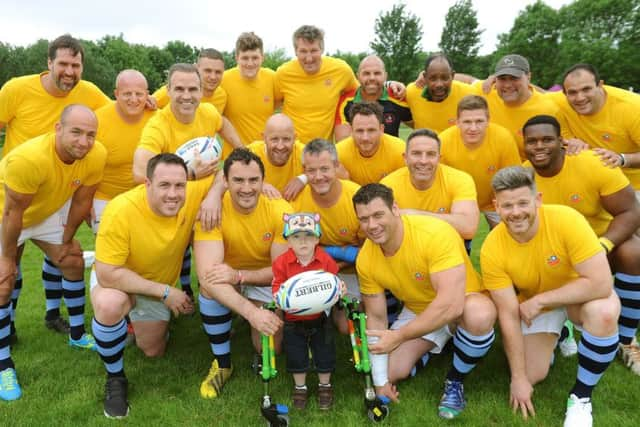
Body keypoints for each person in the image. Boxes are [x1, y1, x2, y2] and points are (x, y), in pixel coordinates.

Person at [481, 165, 621, 426]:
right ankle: (562, 334)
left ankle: (581, 397)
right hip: (538, 308)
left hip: (578, 297)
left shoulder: (566, 219)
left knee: (604, 313)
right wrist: (519, 378)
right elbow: (508, 314)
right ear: (496, 206)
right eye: (507, 206)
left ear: (538, 200)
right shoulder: (491, 248)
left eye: (523, 203)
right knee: (532, 373)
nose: (516, 212)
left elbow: (601, 284)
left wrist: (541, 300)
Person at [0, 34, 110, 341]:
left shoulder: (86, 92)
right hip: (13, 194)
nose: (69, 71)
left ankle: (61, 321)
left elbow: (117, 110)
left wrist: (150, 100)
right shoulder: (17, 89)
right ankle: (7, 330)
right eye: (63, 63)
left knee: (67, 254)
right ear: (48, 63)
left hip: (55, 194)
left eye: (76, 65)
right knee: (10, 267)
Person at [353, 183, 496, 420]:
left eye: (379, 215)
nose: (372, 225)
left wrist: (399, 336)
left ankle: (455, 380)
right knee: (390, 370)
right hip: (419, 309)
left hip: (462, 302)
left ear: (395, 209)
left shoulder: (433, 234)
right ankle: (449, 342)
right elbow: (376, 318)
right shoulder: (366, 258)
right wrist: (380, 383)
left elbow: (451, 304)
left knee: (479, 315)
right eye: (364, 219)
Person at [91, 153, 211, 418]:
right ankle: (115, 379)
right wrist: (166, 292)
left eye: (179, 186)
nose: (173, 194)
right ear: (147, 184)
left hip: (158, 283)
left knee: (153, 351)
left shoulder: (191, 193)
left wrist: (213, 196)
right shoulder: (121, 209)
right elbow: (108, 274)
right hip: (119, 280)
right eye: (164, 185)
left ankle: (133, 324)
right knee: (109, 305)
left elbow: (228, 175)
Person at [0, 104, 107, 401]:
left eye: (90, 134)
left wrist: (67, 239)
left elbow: (82, 200)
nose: (84, 142)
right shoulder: (28, 159)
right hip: (6, 217)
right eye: (76, 132)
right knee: (4, 281)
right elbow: (12, 214)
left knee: (72, 261)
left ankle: (76, 335)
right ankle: (3, 363)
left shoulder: (96, 154)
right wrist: (7, 259)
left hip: (44, 215)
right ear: (58, 129)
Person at [522, 114, 640, 375]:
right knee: (534, 370)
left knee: (633, 251)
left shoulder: (591, 163)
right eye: (532, 142)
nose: (539, 146)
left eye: (547, 140)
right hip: (554, 258)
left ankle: (626, 339)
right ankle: (560, 330)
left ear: (562, 142)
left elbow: (631, 211)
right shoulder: (524, 178)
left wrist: (605, 245)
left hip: (598, 246)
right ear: (524, 145)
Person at [134, 63, 242, 296]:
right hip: (174, 205)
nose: (186, 96)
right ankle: (179, 291)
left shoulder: (208, 112)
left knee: (214, 262)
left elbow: (223, 124)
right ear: (168, 91)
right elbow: (139, 171)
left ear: (201, 92)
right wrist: (190, 175)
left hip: (208, 201)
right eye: (179, 89)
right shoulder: (158, 125)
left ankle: (219, 290)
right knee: (173, 255)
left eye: (193, 89)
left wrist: (242, 149)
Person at [193, 149, 290, 399]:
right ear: (225, 181)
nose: (246, 188)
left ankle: (259, 319)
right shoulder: (211, 210)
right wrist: (252, 313)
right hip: (225, 279)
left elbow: (282, 271)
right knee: (208, 285)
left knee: (270, 348)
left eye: (253, 180)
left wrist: (239, 276)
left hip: (257, 277)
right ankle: (222, 363)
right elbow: (207, 276)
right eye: (238, 180)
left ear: (263, 181)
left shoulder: (279, 209)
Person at [292, 139, 364, 331]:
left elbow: (368, 252)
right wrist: (342, 252)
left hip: (352, 270)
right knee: (305, 322)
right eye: (311, 171)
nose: (318, 176)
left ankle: (337, 307)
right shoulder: (296, 202)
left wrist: (337, 259)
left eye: (324, 169)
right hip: (313, 270)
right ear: (304, 171)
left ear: (336, 167)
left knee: (346, 327)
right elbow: (297, 251)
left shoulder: (356, 197)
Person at [272, 212, 339, 410]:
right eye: (296, 237)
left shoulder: (325, 260)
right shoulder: (281, 263)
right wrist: (279, 298)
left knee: (324, 350)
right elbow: (277, 287)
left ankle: (324, 385)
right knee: (296, 353)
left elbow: (334, 281)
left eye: (308, 236)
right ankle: (300, 387)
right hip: (293, 319)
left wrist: (339, 289)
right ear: (288, 241)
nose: (303, 242)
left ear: (317, 239)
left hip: (321, 317)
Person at [549, 63, 640, 191]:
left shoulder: (632, 108)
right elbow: (533, 95)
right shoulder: (559, 101)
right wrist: (569, 140)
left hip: (634, 187)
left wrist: (622, 158)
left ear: (600, 85)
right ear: (564, 93)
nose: (580, 98)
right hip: (593, 185)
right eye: (572, 92)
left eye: (586, 89)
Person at [380, 128, 479, 243]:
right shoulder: (388, 185)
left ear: (439, 159)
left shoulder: (460, 179)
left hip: (446, 247)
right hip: (407, 248)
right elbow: (382, 229)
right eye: (416, 153)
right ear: (405, 158)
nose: (423, 161)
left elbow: (468, 228)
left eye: (430, 154)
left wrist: (414, 215)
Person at [439, 95, 521, 228]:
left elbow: (513, 178)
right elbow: (439, 182)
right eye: (467, 122)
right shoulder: (443, 141)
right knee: (455, 240)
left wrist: (507, 206)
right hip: (456, 200)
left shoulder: (503, 137)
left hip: (494, 198)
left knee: (510, 234)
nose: (473, 128)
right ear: (457, 122)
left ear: (488, 120)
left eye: (479, 121)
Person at [93, 70, 155, 231]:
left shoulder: (158, 118)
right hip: (105, 198)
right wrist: (86, 202)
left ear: (148, 95)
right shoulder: (98, 120)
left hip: (145, 197)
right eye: (127, 94)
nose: (134, 99)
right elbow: (82, 165)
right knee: (112, 247)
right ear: (116, 94)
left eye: (139, 94)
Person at [274, 25, 359, 144]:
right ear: (295, 51)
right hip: (292, 150)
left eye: (313, 50)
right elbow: (271, 104)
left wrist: (388, 84)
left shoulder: (341, 70)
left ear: (322, 49)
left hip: (324, 151)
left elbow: (363, 92)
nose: (309, 58)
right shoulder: (283, 74)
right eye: (303, 51)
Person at [481, 54, 564, 160]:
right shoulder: (486, 93)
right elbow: (462, 80)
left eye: (514, 78)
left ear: (528, 77)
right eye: (502, 78)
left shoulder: (548, 109)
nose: (507, 85)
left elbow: (562, 146)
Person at [222, 32, 277, 154]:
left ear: (263, 57)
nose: (250, 63)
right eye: (245, 58)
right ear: (236, 57)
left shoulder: (272, 78)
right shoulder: (223, 80)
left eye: (255, 58)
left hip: (266, 155)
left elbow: (280, 103)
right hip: (234, 155)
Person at [334, 55, 412, 141]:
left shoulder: (398, 97)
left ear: (385, 76)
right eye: (366, 73)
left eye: (377, 73)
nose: (372, 78)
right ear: (358, 76)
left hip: (392, 154)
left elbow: (421, 124)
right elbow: (342, 141)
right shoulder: (345, 102)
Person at [335, 102, 405, 185]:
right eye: (359, 131)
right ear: (351, 130)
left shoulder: (399, 151)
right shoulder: (338, 154)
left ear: (381, 129)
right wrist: (345, 181)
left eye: (371, 130)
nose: (365, 138)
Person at [405, 53, 476, 133]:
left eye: (445, 78)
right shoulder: (411, 92)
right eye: (433, 78)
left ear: (452, 76)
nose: (439, 84)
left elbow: (483, 85)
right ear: (425, 77)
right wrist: (389, 83)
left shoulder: (468, 94)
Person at [246, 113, 306, 201]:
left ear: (294, 138)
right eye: (274, 139)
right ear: (264, 138)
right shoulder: (252, 153)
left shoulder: (303, 152)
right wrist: (258, 184)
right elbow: (226, 173)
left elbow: (329, 166)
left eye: (286, 139)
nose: (280, 146)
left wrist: (303, 179)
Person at [153, 49, 227, 114]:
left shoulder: (222, 96)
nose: (213, 77)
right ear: (196, 68)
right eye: (207, 71)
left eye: (218, 72)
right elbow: (147, 104)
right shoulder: (175, 91)